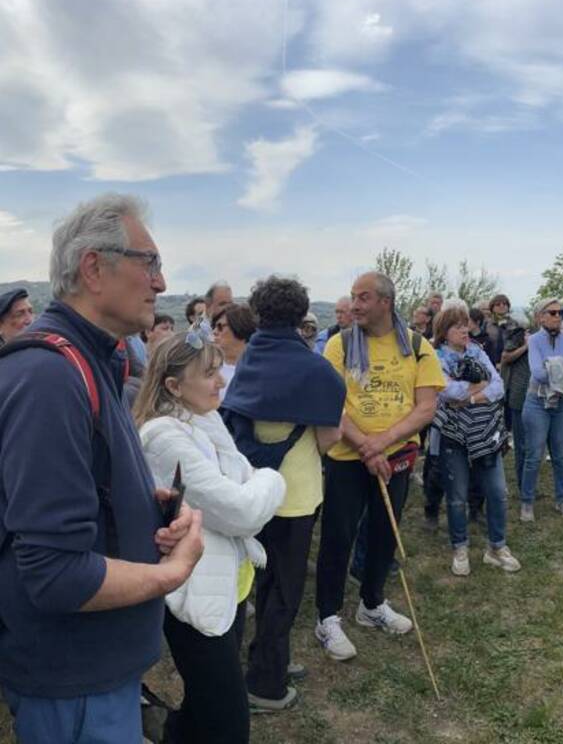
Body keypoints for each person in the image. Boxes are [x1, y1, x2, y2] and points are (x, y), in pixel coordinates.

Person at [0, 194, 203, 743]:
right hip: (71, 679)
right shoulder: (51, 378)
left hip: (92, 669)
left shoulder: (95, 358)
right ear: (94, 267)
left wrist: (142, 502)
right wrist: (172, 574)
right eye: (150, 262)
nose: (161, 283)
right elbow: (55, 573)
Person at [136, 331, 286, 743]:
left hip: (227, 582)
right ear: (173, 386)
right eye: (208, 373)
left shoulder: (203, 418)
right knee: (229, 723)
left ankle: (155, 722)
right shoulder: (165, 437)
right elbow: (241, 509)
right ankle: (153, 721)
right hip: (194, 589)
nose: (221, 381)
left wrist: (250, 488)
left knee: (209, 706)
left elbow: (239, 485)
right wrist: (274, 478)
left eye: (219, 370)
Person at [220, 276, 345, 711]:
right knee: (285, 591)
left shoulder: (252, 355)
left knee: (264, 581)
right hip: (294, 495)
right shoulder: (315, 368)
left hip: (252, 490)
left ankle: (269, 658)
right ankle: (265, 684)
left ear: (258, 313)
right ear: (301, 314)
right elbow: (329, 441)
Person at [316, 273, 444, 662]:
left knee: (384, 533)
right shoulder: (338, 345)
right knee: (338, 537)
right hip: (346, 460)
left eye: (363, 298)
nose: (354, 305)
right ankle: (327, 617)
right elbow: (333, 405)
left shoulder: (418, 347)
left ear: (385, 302)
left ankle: (372, 604)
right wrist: (366, 448)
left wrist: (381, 444)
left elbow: (425, 407)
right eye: (353, 297)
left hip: (397, 458)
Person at [432, 302, 520, 576]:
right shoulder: (436, 358)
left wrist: (470, 396)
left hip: (486, 435)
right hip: (453, 437)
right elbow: (445, 391)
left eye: (466, 325)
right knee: (457, 497)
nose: (465, 330)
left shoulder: (477, 352)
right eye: (458, 327)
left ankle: (496, 547)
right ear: (445, 331)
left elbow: (498, 387)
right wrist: (477, 387)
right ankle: (460, 547)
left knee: (497, 493)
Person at [520, 297, 563, 521]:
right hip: (537, 401)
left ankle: (562, 500)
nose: (558, 316)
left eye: (560, 313)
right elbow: (537, 373)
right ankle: (527, 502)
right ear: (540, 317)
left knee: (561, 455)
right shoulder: (535, 341)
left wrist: (553, 366)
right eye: (553, 312)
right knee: (534, 455)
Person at [500, 316, 531, 491]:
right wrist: (526, 346)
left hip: (530, 394)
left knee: (528, 443)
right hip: (518, 394)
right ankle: (522, 484)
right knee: (522, 444)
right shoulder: (516, 337)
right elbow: (506, 356)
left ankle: (526, 483)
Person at [211, 303, 257, 400]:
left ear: (240, 327)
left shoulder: (258, 372)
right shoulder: (206, 369)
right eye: (214, 327)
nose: (214, 332)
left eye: (220, 327)